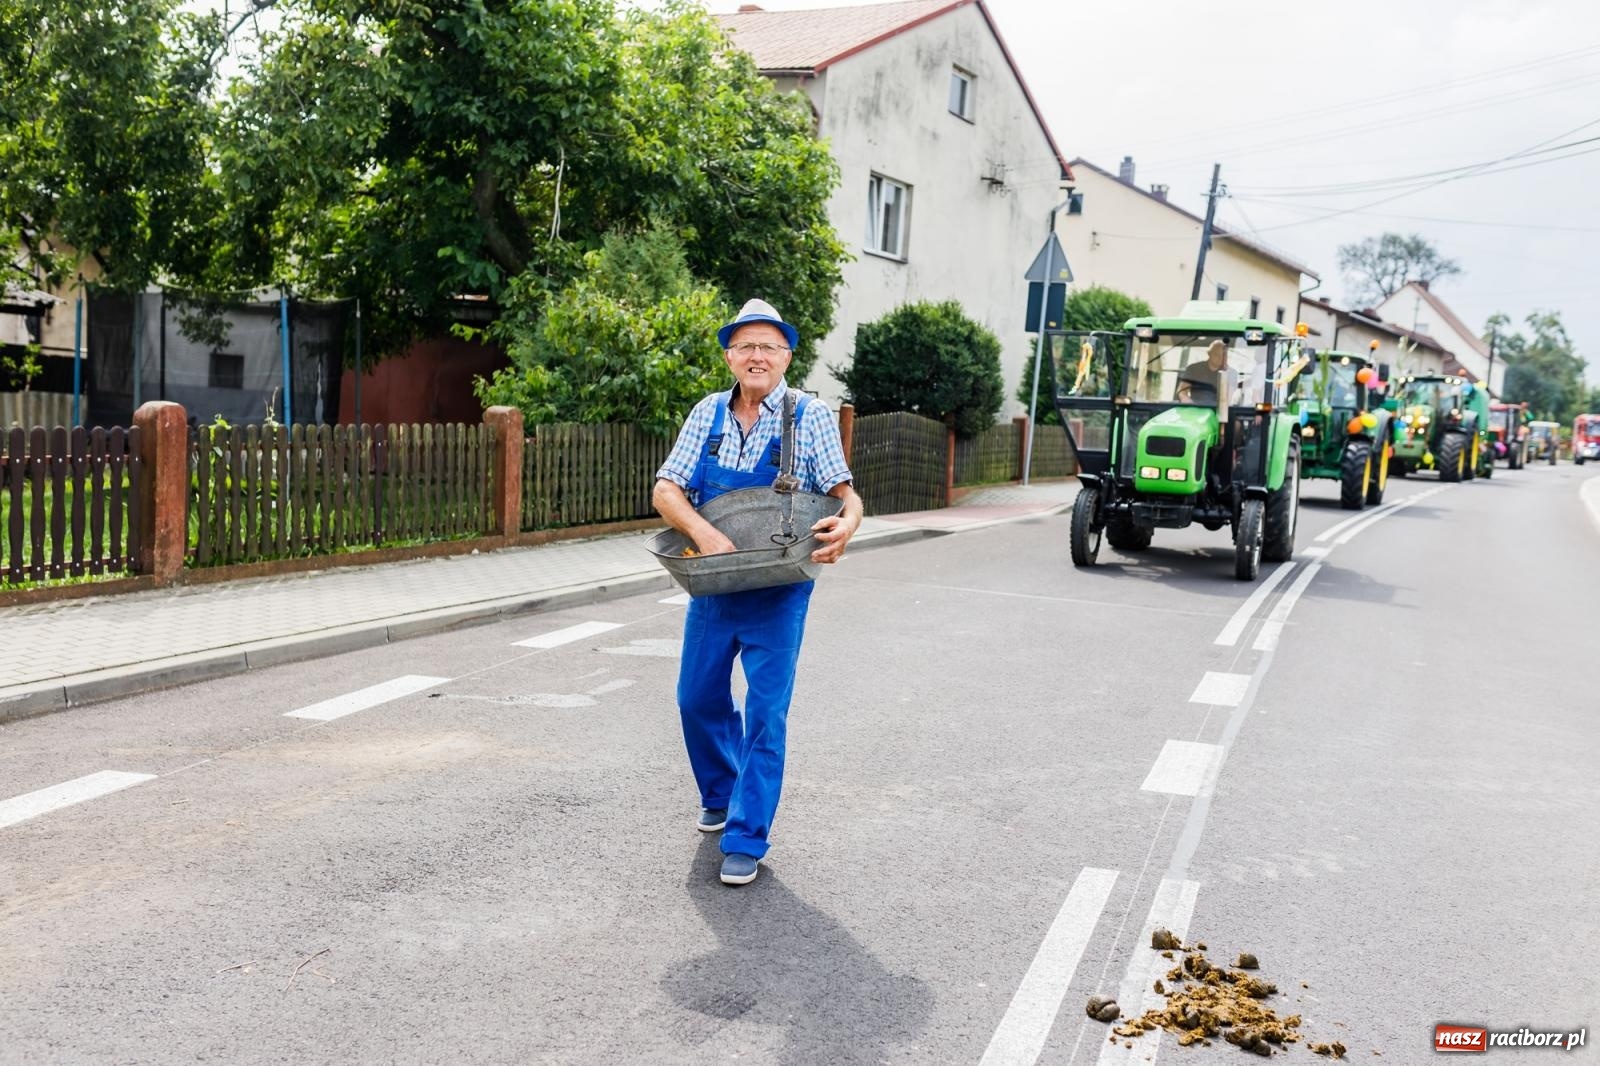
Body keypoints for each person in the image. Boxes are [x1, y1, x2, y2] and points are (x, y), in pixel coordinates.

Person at [652, 298, 864, 886]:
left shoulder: (808, 417)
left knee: (766, 714)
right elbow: (667, 490)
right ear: (729, 356)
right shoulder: (707, 414)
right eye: (745, 346)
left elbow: (846, 497)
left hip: (778, 589)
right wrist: (706, 536)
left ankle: (747, 834)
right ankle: (720, 791)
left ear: (787, 356)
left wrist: (847, 526)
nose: (756, 357)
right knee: (696, 699)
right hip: (714, 586)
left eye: (769, 346)